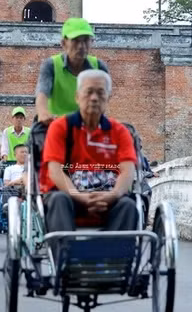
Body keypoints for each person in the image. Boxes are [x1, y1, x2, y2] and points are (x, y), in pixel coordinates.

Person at [40, 69, 138, 235]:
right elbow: (55, 171)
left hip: (109, 197)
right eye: (89, 92)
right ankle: (65, 255)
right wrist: (79, 196)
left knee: (128, 205)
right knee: (58, 200)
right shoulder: (60, 127)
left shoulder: (119, 131)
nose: (94, 98)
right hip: (69, 194)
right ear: (77, 97)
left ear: (108, 97)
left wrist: (113, 195)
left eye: (100, 93)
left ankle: (115, 258)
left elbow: (128, 171)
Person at [35, 18, 109, 125]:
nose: (81, 46)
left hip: (88, 124)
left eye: (85, 40)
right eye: (76, 40)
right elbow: (42, 92)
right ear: (64, 43)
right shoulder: (51, 65)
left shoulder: (99, 67)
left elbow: (105, 97)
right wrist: (43, 113)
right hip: (56, 124)